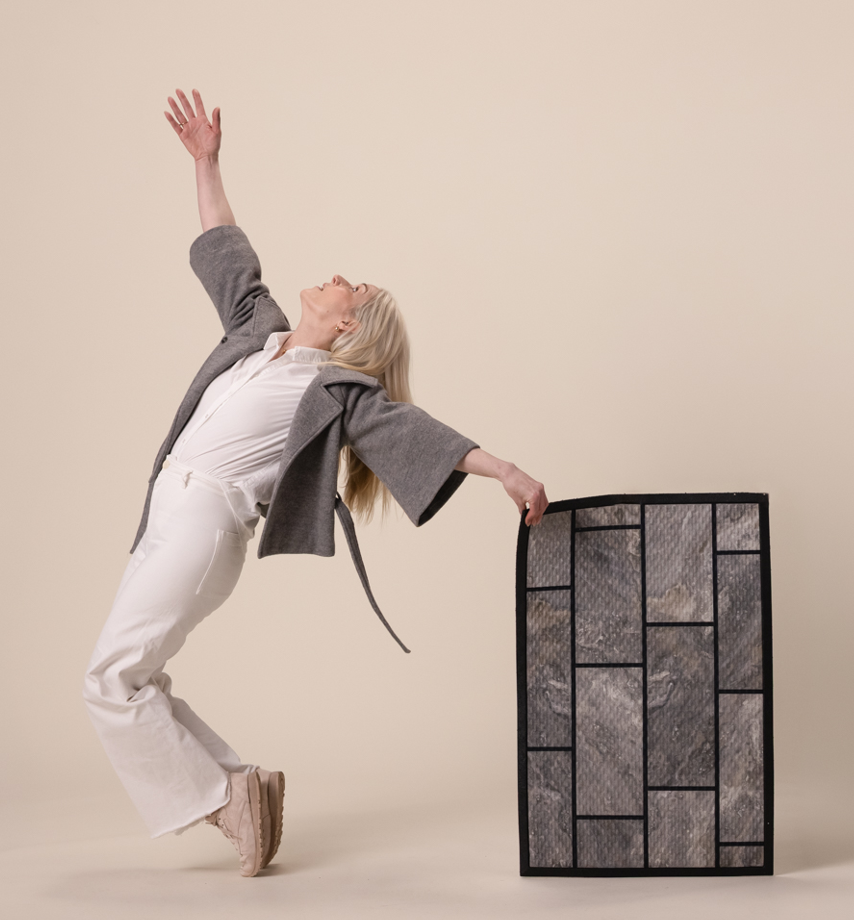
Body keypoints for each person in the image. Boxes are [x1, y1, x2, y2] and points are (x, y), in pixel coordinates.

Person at [83, 88, 548, 878]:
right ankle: (240, 788)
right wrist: (206, 161)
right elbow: (226, 247)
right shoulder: (255, 332)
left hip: (205, 526)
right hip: (163, 515)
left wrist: (503, 468)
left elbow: (416, 431)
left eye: (351, 287)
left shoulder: (333, 391)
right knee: (135, 676)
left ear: (348, 327)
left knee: (109, 677)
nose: (337, 276)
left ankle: (227, 802)